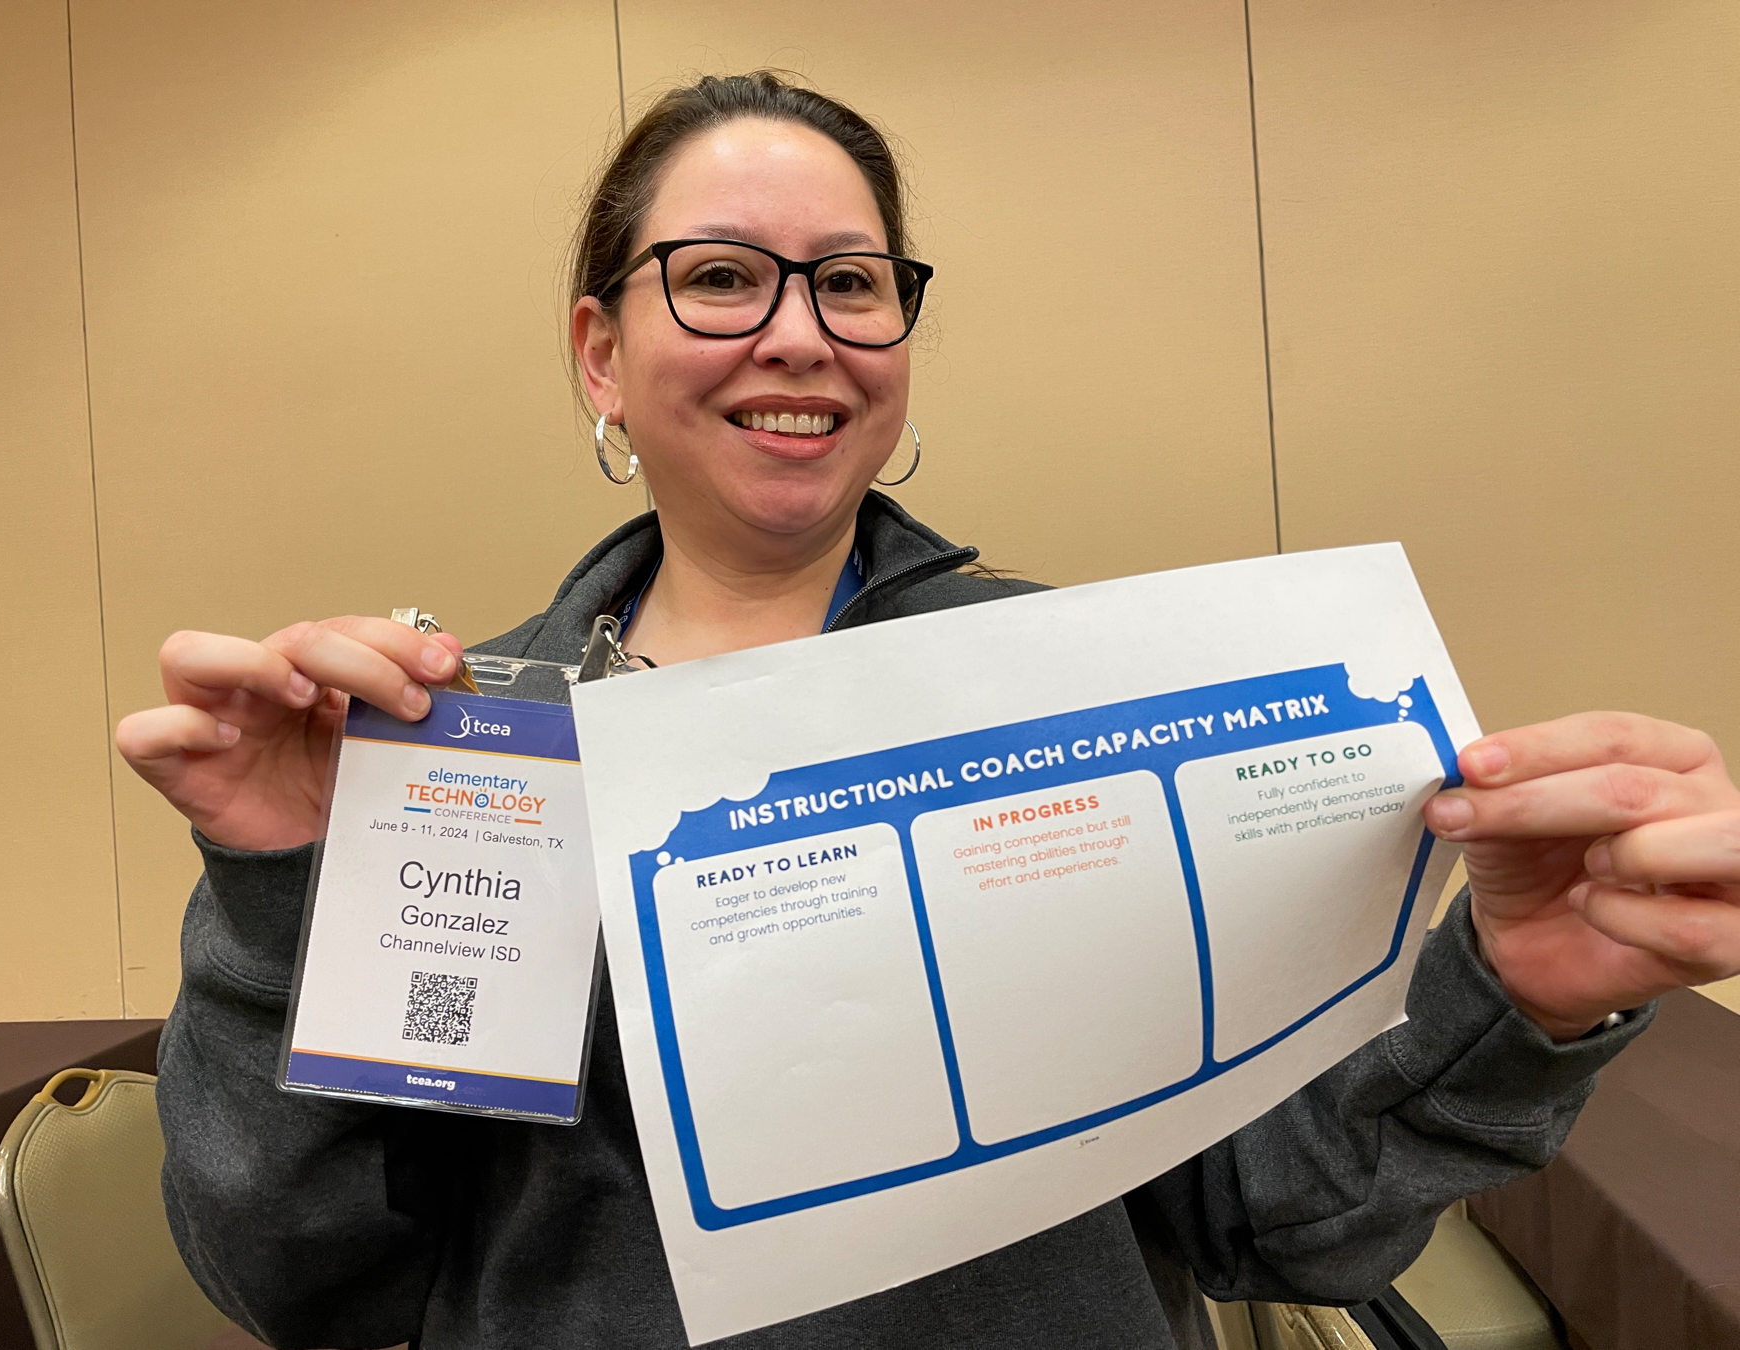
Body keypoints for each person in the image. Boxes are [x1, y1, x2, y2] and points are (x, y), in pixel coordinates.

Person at [117, 72, 1740, 1349]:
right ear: (600, 354)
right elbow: (305, 1286)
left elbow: (1272, 1220)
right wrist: (285, 897)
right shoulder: (476, 747)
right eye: (723, 278)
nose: (802, 334)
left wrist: (1513, 1002)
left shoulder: (1091, 702)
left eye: (852, 282)